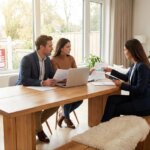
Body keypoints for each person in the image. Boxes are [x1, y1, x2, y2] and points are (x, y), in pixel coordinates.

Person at [17, 35, 59, 143]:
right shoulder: (27, 59)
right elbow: (24, 80)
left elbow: (51, 75)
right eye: (50, 46)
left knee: (56, 104)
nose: (52, 48)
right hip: (24, 92)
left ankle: (32, 127)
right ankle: (39, 131)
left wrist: (58, 79)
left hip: (40, 92)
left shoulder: (47, 60)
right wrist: (42, 83)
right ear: (42, 47)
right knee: (36, 108)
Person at [101, 39, 150, 122]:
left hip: (143, 104)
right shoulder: (135, 64)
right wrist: (111, 70)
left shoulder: (142, 67)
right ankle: (105, 125)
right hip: (135, 98)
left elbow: (140, 90)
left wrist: (121, 85)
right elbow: (126, 77)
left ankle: (106, 128)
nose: (124, 52)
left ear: (131, 51)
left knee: (115, 108)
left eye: (125, 49)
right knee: (112, 99)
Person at [51, 38, 83, 129]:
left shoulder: (71, 58)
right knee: (68, 98)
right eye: (68, 47)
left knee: (80, 100)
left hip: (70, 85)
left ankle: (63, 114)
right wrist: (65, 79)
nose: (70, 49)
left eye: (70, 47)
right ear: (61, 48)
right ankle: (67, 118)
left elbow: (76, 72)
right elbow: (56, 76)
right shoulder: (53, 60)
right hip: (59, 87)